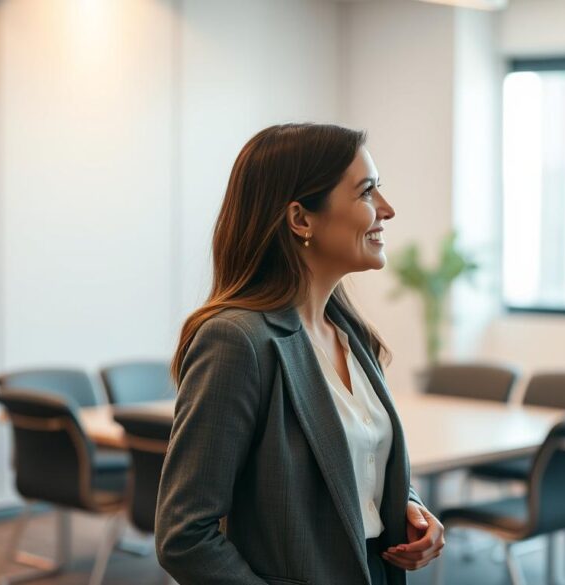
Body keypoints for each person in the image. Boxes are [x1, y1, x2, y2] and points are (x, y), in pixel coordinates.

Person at [156, 123, 444, 585]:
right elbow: (184, 535)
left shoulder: (352, 335)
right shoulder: (236, 341)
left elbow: (356, 456)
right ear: (301, 219)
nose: (386, 210)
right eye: (367, 192)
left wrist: (405, 503)